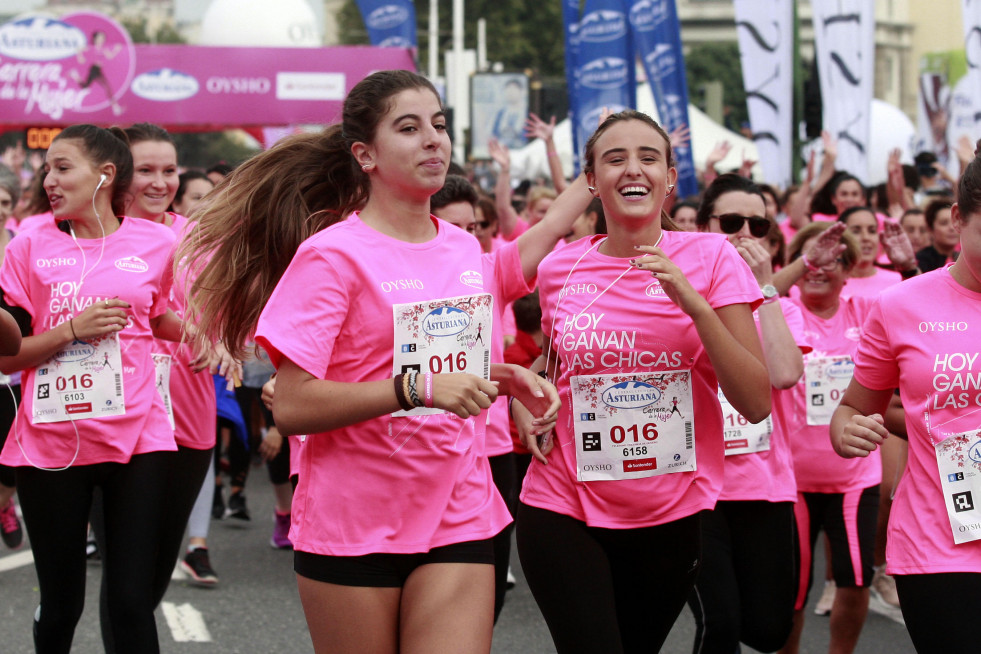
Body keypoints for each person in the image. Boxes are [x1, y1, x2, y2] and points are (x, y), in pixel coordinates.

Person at [179, 70, 559, 653]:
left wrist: (503, 380)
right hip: (352, 526)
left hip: (459, 510)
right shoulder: (331, 256)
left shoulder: (463, 247)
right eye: (409, 128)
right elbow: (297, 404)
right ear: (366, 154)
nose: (433, 139)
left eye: (438, 124)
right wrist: (416, 389)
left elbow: (453, 368)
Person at [513, 110, 770, 654]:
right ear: (591, 181)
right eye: (615, 158)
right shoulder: (562, 267)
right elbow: (551, 367)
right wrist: (527, 401)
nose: (634, 169)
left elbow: (754, 401)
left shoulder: (713, 257)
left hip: (668, 508)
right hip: (563, 500)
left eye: (649, 157)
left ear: (670, 177)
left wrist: (696, 307)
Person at [0, 124, 184, 652]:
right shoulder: (29, 245)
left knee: (131, 600)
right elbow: (10, 351)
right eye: (47, 170)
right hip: (51, 441)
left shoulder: (156, 241)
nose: (49, 180)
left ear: (104, 174)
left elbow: (161, 317)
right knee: (63, 605)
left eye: (62, 167)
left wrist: (214, 342)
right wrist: (69, 331)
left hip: (139, 438)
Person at [830, 140, 981, 654]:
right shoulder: (900, 304)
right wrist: (847, 429)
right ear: (958, 218)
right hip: (939, 542)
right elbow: (853, 407)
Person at [689, 173, 808, 653]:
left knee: (767, 629)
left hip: (763, 485)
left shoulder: (777, 305)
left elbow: (782, 374)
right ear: (702, 226)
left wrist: (764, 289)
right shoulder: (676, 296)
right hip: (697, 488)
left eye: (757, 225)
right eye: (732, 222)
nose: (745, 234)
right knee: (720, 624)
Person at [777, 222, 878, 654]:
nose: (819, 268)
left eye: (832, 259)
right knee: (793, 590)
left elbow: (920, 310)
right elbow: (755, 293)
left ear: (848, 268)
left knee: (856, 579)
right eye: (810, 258)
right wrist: (803, 259)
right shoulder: (779, 310)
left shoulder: (865, 313)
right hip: (791, 479)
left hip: (854, 476)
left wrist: (911, 264)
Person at [916, 199, 958, 272]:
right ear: (930, 229)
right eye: (944, 223)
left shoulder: (965, 258)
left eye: (954, 222)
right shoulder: (921, 260)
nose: (951, 228)